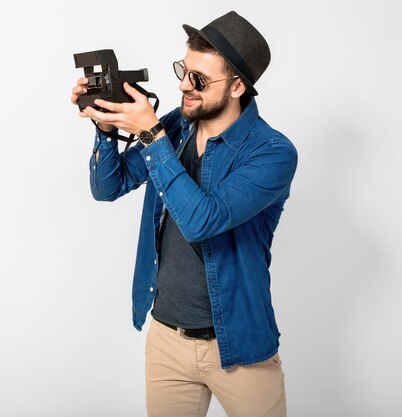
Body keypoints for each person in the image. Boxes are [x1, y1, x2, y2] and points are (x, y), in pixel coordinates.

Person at [71, 10, 297, 417]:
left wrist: (151, 132)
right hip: (166, 341)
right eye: (183, 70)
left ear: (237, 86)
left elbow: (202, 221)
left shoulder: (272, 153)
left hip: (239, 347)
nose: (182, 86)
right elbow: (109, 187)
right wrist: (106, 124)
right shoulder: (176, 127)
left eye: (199, 79)